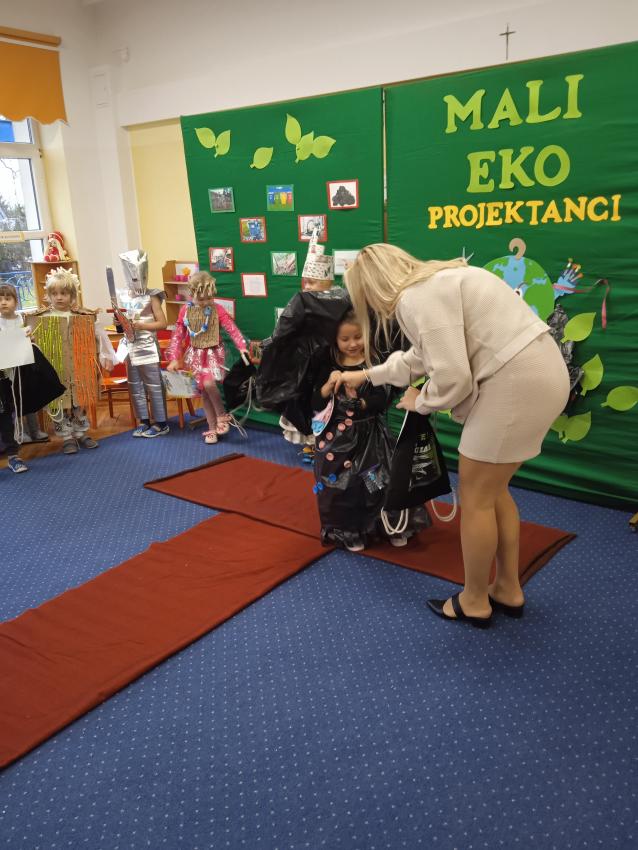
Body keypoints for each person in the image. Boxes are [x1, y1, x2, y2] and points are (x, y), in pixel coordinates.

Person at [337, 245, 570, 627]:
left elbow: (452, 377)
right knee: (494, 492)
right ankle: (507, 588)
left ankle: (474, 600)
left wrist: (421, 401)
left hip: (515, 384)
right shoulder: (440, 283)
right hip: (542, 375)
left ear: (370, 288)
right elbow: (417, 359)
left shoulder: (416, 297)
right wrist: (364, 375)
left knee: (477, 499)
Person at [312, 312, 431, 551]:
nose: (352, 344)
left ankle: (390, 526)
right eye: (345, 339)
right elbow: (316, 402)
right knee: (343, 487)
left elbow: (381, 399)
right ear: (335, 339)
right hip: (338, 442)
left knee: (378, 481)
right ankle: (350, 530)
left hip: (372, 439)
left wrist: (362, 402)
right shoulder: (328, 364)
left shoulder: (375, 363)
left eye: (358, 337)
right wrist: (328, 385)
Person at [257, 231, 351, 460]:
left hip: (331, 363)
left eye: (312, 281)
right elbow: (284, 330)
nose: (307, 286)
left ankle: (326, 442)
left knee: (328, 403)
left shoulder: (341, 300)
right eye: (305, 281)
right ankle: (311, 443)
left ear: (328, 282)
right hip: (304, 366)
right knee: (305, 402)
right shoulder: (302, 301)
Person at [166, 271, 249, 444]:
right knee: (204, 391)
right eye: (201, 299)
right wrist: (174, 358)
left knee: (209, 384)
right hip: (196, 355)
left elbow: (231, 328)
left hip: (213, 354)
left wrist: (242, 346)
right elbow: (178, 336)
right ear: (192, 294)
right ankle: (212, 428)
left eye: (209, 298)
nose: (206, 302)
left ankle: (222, 415)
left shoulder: (217, 309)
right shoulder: (185, 311)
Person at [26, 268, 102, 454]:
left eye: (64, 293)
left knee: (79, 401)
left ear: (72, 295)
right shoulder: (41, 319)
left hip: (79, 368)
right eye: (54, 294)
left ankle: (81, 433)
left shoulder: (83, 316)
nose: (59, 297)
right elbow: (31, 341)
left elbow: (97, 338)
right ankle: (67, 437)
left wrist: (105, 357)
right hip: (56, 369)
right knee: (58, 403)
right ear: (48, 295)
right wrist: (29, 337)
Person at [119, 249, 170, 437]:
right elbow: (121, 324)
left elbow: (163, 323)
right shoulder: (123, 296)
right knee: (135, 384)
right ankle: (144, 421)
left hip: (148, 347)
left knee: (154, 383)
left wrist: (143, 325)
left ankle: (161, 423)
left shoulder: (153, 296)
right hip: (130, 346)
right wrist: (120, 323)